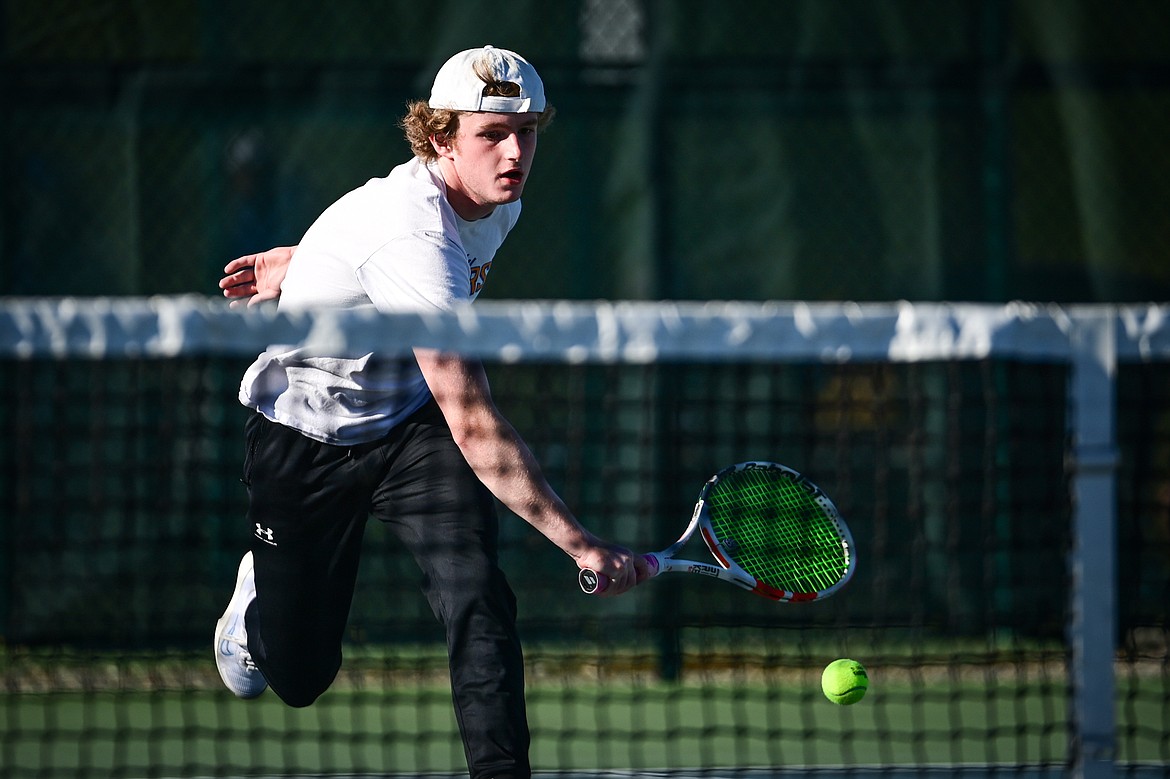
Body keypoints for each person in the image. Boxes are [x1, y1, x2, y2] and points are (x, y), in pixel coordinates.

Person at [213, 46, 649, 779]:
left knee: (476, 588)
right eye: (492, 133)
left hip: (409, 429)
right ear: (441, 137)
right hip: (302, 435)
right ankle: (258, 601)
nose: (515, 152)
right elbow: (474, 419)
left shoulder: (497, 200)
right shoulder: (413, 233)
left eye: (528, 131)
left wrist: (309, 259)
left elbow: (370, 238)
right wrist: (580, 544)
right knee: (299, 677)